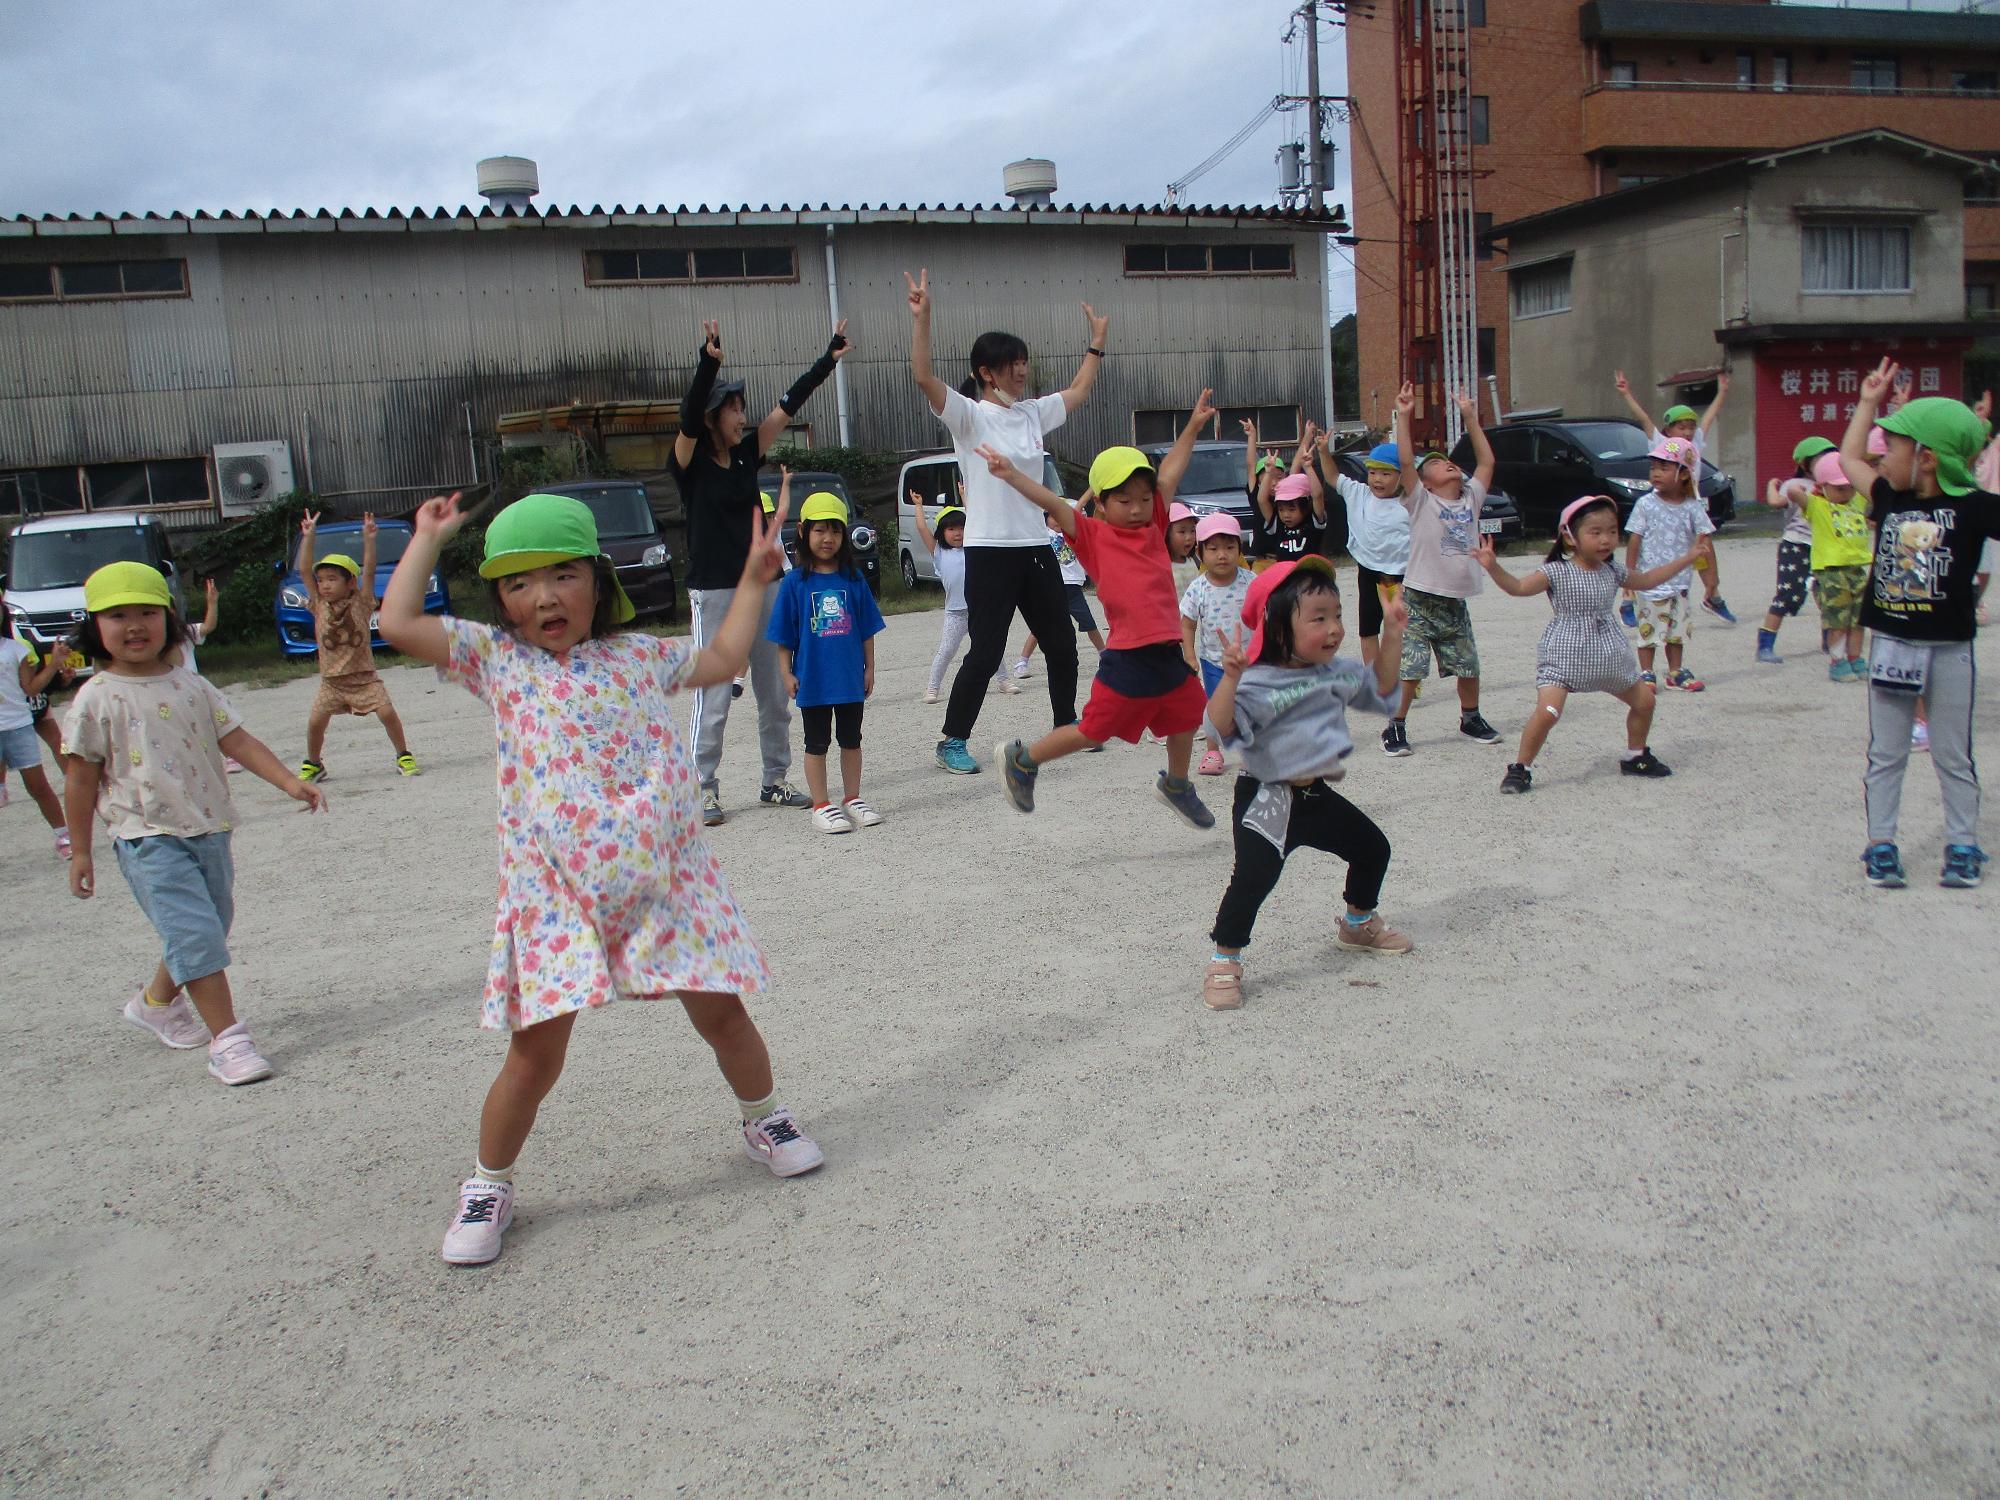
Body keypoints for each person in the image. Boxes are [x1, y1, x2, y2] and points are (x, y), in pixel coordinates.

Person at [379, 489, 823, 1267]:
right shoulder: (498, 663)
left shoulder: (641, 656)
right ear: (503, 604)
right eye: (519, 584)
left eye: (561, 575)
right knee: (535, 1056)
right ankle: (489, 1184)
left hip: (665, 885)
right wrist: (427, 539)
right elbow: (397, 624)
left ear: (598, 578)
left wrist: (755, 580)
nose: (543, 596)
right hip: (557, 899)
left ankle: (766, 1118)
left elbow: (720, 660)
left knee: (724, 1017)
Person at [61, 562, 323, 1085]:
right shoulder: (96, 696)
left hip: (208, 826)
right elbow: (80, 779)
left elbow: (239, 740)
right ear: (94, 626)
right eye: (118, 616)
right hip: (144, 835)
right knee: (196, 933)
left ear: (171, 620)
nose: (134, 625)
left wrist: (289, 781)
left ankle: (156, 1002)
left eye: (147, 612)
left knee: (207, 926)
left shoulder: (191, 684)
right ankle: (230, 1040)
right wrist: (84, 850)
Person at [905, 269, 1109, 775]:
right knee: (987, 648)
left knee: (1062, 643)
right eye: (1011, 365)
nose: (1021, 371)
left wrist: (1096, 346)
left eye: (1023, 363)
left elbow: (1079, 391)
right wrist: (923, 319)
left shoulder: (1033, 413)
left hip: (1035, 547)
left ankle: (1067, 729)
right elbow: (924, 378)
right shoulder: (970, 416)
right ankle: (952, 739)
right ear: (986, 372)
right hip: (989, 551)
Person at [983, 391, 1218, 829]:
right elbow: (1053, 504)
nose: (1137, 508)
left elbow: (1169, 474)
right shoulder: (1092, 535)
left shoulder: (1154, 527)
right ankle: (1022, 759)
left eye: (1143, 499)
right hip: (1128, 656)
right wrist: (1012, 474)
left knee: (1188, 712)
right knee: (1094, 730)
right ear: (1102, 504)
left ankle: (1177, 784)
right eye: (1124, 500)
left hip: (1166, 651)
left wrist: (1192, 427)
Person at [1201, 557, 1415, 1010]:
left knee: (1372, 847)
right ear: (1278, 627)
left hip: (1313, 796)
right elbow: (1219, 727)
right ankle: (1225, 958)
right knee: (1254, 878)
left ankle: (1357, 923)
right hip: (1265, 799)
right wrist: (1231, 678)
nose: (1335, 628)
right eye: (1319, 618)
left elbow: (1382, 686)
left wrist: (1393, 633)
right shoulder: (1257, 680)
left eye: (1337, 615)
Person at [674, 316, 850, 825]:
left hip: (765, 586)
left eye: (740, 408)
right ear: (712, 417)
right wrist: (708, 365)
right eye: (732, 409)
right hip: (715, 591)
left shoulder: (749, 456)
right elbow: (688, 416)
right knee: (715, 695)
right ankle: (702, 787)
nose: (742, 416)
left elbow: (788, 406)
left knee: (775, 692)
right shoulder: (689, 464)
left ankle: (775, 779)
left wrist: (827, 358)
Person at [1836, 366, 2000, 891]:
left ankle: (1963, 844)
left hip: (1950, 650)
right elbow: (1847, 458)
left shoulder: (1975, 507)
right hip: (1892, 646)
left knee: (1953, 754)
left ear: (1926, 458)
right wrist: (1867, 402)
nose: (1882, 456)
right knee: (1887, 753)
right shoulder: (1890, 498)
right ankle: (1881, 844)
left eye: (1894, 446)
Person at [1478, 497, 1713, 793]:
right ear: (1569, 536)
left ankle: (1635, 755)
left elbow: (1649, 578)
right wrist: (1493, 567)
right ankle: (1520, 768)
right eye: (1596, 532)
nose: (1606, 540)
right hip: (1564, 658)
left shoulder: (1613, 571)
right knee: (1548, 711)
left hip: (1609, 657)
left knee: (1645, 702)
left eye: (1612, 531)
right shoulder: (1556, 572)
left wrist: (1689, 557)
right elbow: (1518, 588)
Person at [1383, 384, 1502, 755]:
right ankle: (1396, 726)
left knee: (1468, 664)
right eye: (1434, 463)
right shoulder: (1421, 501)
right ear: (1426, 481)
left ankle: (1470, 718)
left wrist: (1469, 417)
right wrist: (1403, 415)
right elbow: (1405, 462)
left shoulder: (1472, 498)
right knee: (1412, 667)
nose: (1446, 462)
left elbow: (1487, 462)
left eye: (1448, 460)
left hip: (1455, 602)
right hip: (1420, 598)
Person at [767, 486, 886, 834]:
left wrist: (870, 668)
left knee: (852, 738)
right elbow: (784, 635)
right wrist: (785, 673)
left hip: (848, 677)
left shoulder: (853, 579)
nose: (828, 538)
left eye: (835, 530)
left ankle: (852, 797)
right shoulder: (794, 583)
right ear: (804, 532)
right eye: (820, 529)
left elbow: (866, 629)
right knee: (816, 742)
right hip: (813, 679)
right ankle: (821, 803)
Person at [294, 511, 419, 783]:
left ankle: (403, 754)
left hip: (364, 678)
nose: (324, 585)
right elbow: (304, 570)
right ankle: (314, 763)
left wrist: (369, 539)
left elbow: (370, 569)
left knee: (387, 713)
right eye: (322, 580)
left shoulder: (361, 603)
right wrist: (309, 536)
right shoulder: (318, 604)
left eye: (332, 579)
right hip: (332, 681)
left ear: (350, 581)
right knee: (316, 722)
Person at [1615, 368, 1736, 621]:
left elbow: (1709, 418)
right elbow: (1644, 419)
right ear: (1669, 429)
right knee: (1646, 553)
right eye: (1682, 427)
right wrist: (1626, 393)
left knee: (1703, 549)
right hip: (1662, 506)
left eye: (1691, 427)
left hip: (1689, 504)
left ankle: (1713, 595)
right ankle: (1628, 598)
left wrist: (1722, 393)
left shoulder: (1695, 445)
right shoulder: (1660, 442)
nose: (1689, 432)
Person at [1623, 435, 1717, 692]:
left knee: (1677, 630)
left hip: (1679, 583)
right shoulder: (1645, 504)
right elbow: (1634, 541)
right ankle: (1646, 673)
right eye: (1653, 467)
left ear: (1684, 474)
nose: (1656, 473)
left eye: (1664, 467)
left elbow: (1704, 547)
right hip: (1647, 582)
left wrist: (1711, 583)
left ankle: (1675, 672)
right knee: (1647, 631)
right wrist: (1628, 578)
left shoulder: (1692, 507)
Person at [1328, 441, 1413, 671]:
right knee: (1367, 629)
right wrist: (1323, 451)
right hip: (1368, 571)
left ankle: (1406, 674)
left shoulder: (1411, 502)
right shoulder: (1360, 494)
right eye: (1373, 472)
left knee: (1400, 630)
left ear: (1402, 476)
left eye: (1386, 473)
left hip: (1399, 575)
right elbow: (1333, 477)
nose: (1377, 479)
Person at [1180, 513, 1251, 776]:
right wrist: (1189, 654)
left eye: (1230, 547)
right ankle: (1213, 751)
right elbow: (1187, 624)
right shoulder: (1198, 588)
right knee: (1213, 706)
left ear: (1239, 550)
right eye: (1213, 549)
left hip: (1248, 660)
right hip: (1213, 661)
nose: (1222, 555)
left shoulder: (1250, 582)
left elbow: (1265, 616)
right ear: (1200, 552)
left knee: (1248, 705)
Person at [1794, 451, 1874, 683]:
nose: (1846, 492)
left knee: (1859, 620)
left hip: (1857, 568)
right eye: (1839, 488)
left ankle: (1855, 657)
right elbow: (1794, 493)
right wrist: (1815, 491)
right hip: (1831, 571)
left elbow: (1870, 478)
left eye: (1849, 487)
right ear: (1824, 486)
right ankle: (1837, 661)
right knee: (1838, 620)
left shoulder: (1856, 501)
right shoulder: (1818, 506)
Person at [1754, 436, 1834, 665]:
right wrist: (1772, 486)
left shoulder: (1833, 485)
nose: (1825, 464)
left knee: (1828, 594)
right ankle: (1765, 645)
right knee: (1787, 595)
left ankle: (1830, 639)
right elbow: (1776, 502)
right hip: (1796, 545)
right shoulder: (1795, 485)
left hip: (1823, 547)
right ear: (1805, 463)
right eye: (1820, 460)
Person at [0, 605, 67, 852]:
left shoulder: (15, 650)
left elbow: (31, 689)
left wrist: (54, 664)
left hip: (17, 725)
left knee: (38, 786)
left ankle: (64, 836)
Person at [1014, 510, 1109, 680]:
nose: (1057, 520)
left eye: (1060, 516)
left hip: (1074, 588)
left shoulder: (1075, 535)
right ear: (1045, 519)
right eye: (1053, 517)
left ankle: (1105, 655)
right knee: (1040, 626)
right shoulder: (1043, 535)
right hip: (1053, 587)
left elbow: (1091, 526)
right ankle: (1022, 662)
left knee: (1089, 623)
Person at [911, 494, 977, 705]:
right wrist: (919, 506)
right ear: (942, 533)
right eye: (951, 529)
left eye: (961, 527)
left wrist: (965, 496)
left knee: (988, 647)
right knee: (946, 651)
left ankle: (1004, 681)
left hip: (978, 609)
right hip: (955, 612)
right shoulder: (938, 551)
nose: (958, 533)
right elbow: (922, 529)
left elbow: (976, 518)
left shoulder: (973, 548)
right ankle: (932, 688)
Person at [1251, 428, 1329, 567]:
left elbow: (1317, 495)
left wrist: (1308, 468)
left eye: (1292, 509)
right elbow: (1261, 500)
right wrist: (1268, 473)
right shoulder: (1278, 524)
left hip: (1309, 576)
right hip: (1285, 577)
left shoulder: (1312, 522)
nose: (1286, 515)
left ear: (1305, 506)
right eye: (1281, 509)